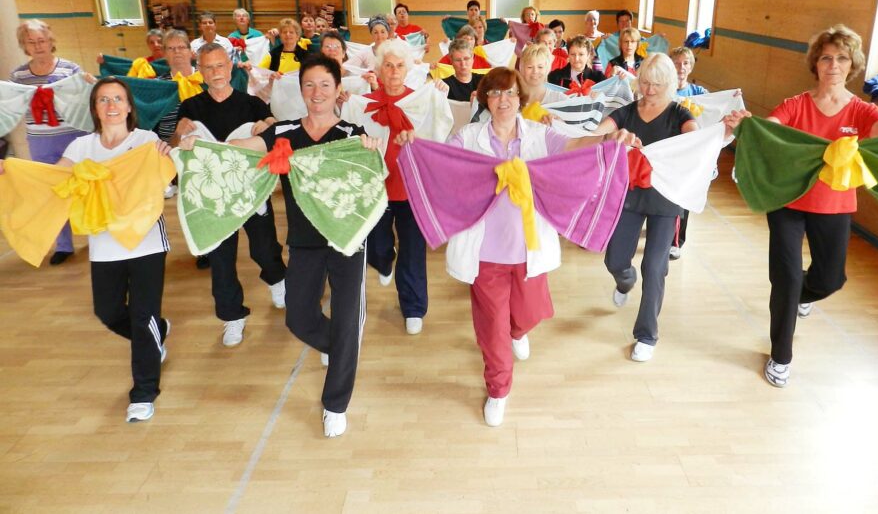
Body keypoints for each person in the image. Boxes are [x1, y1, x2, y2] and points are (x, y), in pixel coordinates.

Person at [396, 67, 638, 427]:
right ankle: (498, 389)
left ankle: (519, 330)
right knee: (492, 326)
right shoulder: (469, 136)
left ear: (520, 98)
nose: (503, 100)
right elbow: (443, 161)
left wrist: (609, 139)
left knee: (529, 313)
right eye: (495, 93)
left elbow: (574, 148)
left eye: (509, 93)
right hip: (485, 253)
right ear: (485, 99)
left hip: (529, 247)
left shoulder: (539, 134)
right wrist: (414, 143)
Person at [181, 55, 382, 437]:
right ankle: (338, 348)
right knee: (298, 317)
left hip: (346, 239)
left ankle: (335, 404)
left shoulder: (350, 134)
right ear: (301, 90)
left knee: (346, 320)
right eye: (309, 85)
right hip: (304, 241)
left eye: (325, 85)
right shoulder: (285, 131)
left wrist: (370, 146)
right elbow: (239, 148)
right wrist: (198, 145)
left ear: (338, 90)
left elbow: (369, 167)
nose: (317, 92)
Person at [747, 25, 878, 388]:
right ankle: (781, 355)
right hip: (787, 200)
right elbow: (770, 129)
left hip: (834, 203)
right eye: (826, 58)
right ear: (816, 63)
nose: (833, 65)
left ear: (852, 64)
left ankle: (800, 296)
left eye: (841, 58)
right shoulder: (796, 104)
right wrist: (747, 125)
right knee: (786, 277)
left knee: (829, 279)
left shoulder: (861, 110)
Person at [22, 77, 171, 421]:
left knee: (142, 316)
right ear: (95, 108)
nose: (112, 105)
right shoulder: (81, 147)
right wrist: (13, 171)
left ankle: (144, 393)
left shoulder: (145, 141)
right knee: (108, 312)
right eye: (104, 100)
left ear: (129, 107)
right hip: (104, 246)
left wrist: (170, 151)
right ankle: (157, 333)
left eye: (118, 98)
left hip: (146, 242)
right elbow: (54, 179)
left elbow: (166, 171)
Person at [596, 53, 745, 363]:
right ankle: (625, 281)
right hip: (630, 196)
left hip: (666, 200)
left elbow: (699, 142)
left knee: (654, 267)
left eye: (657, 85)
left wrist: (724, 131)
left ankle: (646, 334)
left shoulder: (680, 115)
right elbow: (597, 133)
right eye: (645, 83)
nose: (649, 90)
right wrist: (598, 134)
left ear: (670, 84)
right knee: (615, 259)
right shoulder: (626, 112)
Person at [172, 44, 286, 347]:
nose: (216, 72)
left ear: (230, 67)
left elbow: (274, 128)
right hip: (214, 196)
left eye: (220, 65)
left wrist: (266, 124)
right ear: (200, 71)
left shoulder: (251, 103)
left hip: (250, 189)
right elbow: (176, 143)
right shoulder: (191, 106)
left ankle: (277, 279)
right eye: (208, 67)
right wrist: (180, 133)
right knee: (221, 259)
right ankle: (232, 316)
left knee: (264, 248)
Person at [362, 40, 443, 335]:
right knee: (376, 243)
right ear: (378, 70)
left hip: (412, 185)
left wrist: (439, 95)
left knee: (413, 248)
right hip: (377, 187)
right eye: (388, 65)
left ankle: (413, 307)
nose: (394, 71)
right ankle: (383, 261)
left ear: (407, 69)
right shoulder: (364, 103)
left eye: (399, 66)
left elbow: (438, 132)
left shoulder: (421, 100)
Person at [10, 19, 91, 265]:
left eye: (42, 41)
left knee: (84, 187)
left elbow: (85, 100)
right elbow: (14, 106)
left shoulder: (70, 69)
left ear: (50, 41)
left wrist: (89, 83)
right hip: (40, 140)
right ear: (24, 45)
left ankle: (95, 234)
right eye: (31, 42)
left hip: (73, 136)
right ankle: (64, 245)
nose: (38, 46)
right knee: (52, 192)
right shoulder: (19, 75)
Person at [669, 46, 710, 260]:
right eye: (676, 63)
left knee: (683, 197)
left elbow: (716, 108)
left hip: (689, 155)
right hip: (666, 151)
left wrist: (731, 98)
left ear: (691, 67)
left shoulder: (699, 93)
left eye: (685, 63)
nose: (681, 67)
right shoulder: (663, 91)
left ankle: (676, 241)